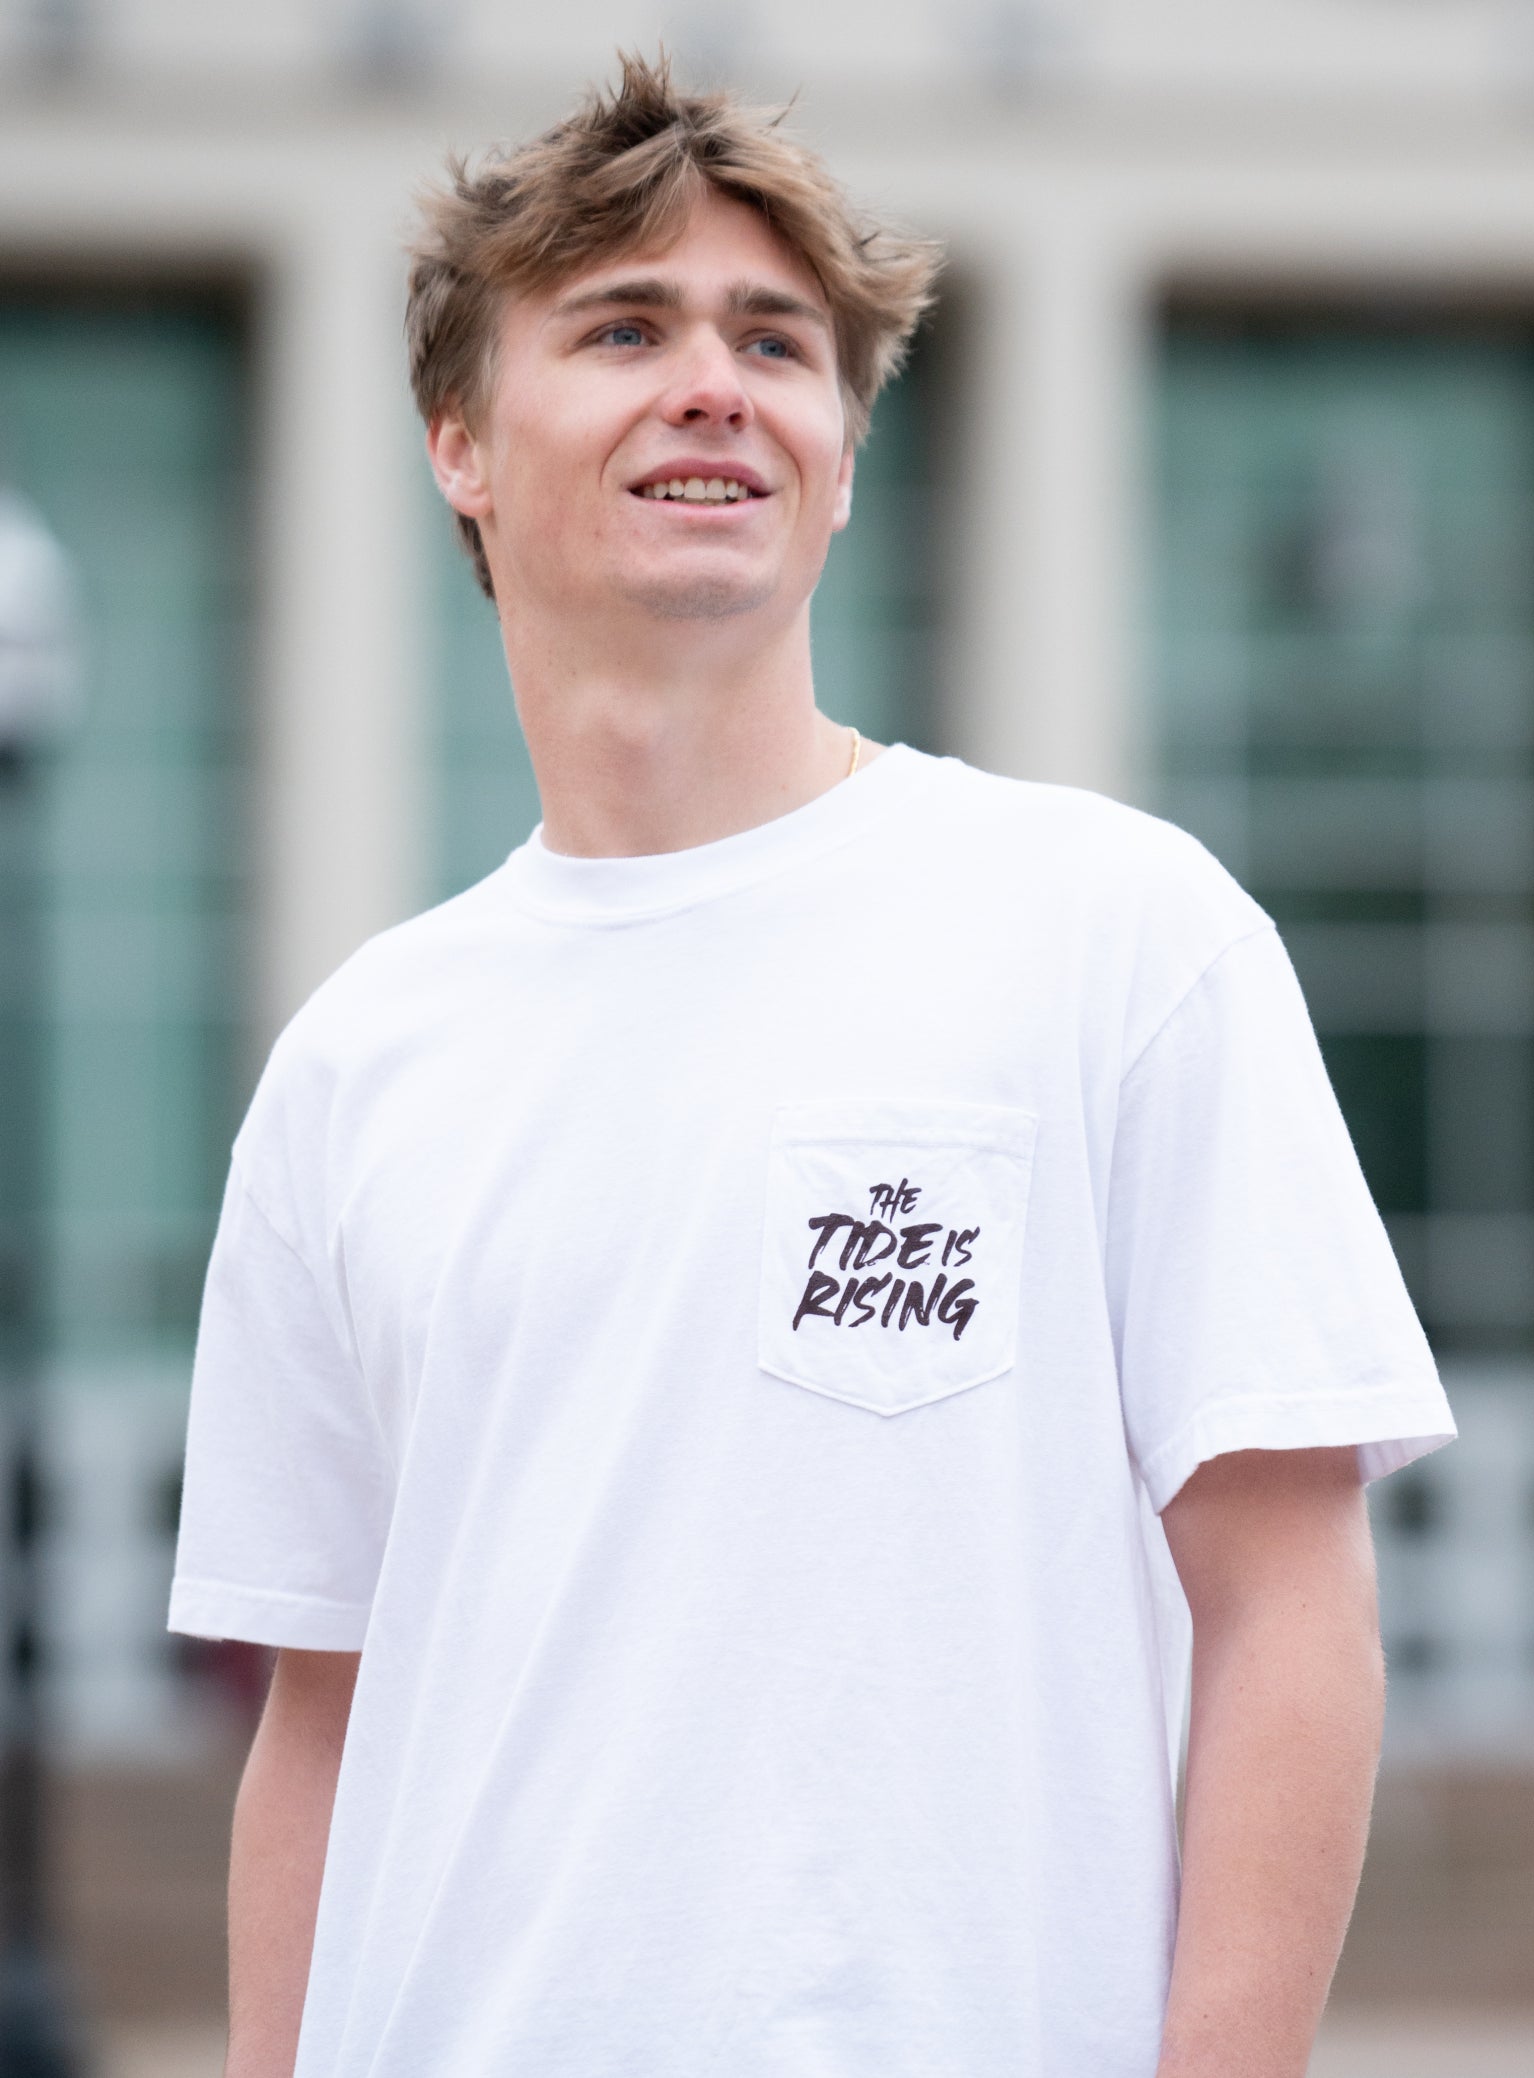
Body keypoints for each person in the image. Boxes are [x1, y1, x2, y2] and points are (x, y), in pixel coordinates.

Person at [167, 47, 1457, 2078]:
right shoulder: (356, 1067)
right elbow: (318, 1719)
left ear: (842, 458)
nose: (714, 379)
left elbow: (1290, 1611)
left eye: (775, 340)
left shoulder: (1115, 938)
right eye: (621, 325)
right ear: (461, 446)